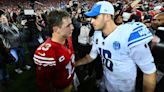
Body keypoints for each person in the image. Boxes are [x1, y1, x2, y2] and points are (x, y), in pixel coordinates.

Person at [75, 1, 157, 92]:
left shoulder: (128, 34)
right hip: (106, 82)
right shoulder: (97, 34)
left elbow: (149, 72)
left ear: (107, 16)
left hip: (124, 88)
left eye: (95, 17)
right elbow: (91, 57)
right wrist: (75, 64)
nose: (91, 20)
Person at [33, 10, 75, 92]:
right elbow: (43, 84)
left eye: (71, 24)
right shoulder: (47, 52)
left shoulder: (67, 38)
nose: (72, 27)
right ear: (56, 29)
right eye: (68, 25)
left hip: (70, 78)